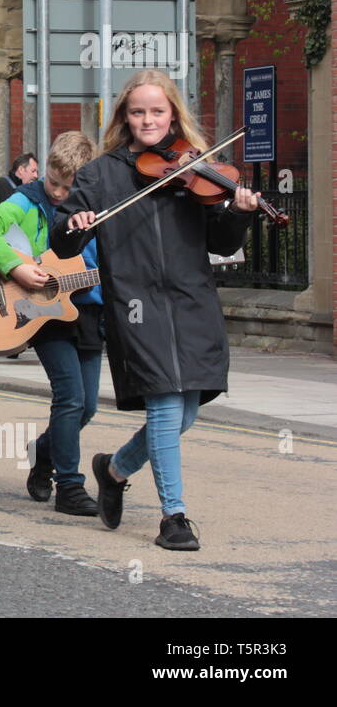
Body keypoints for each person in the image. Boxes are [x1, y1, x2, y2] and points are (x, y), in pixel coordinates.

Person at [50, 69, 259, 551]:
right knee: (165, 404)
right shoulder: (100, 174)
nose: (147, 119)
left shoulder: (197, 167)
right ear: (125, 115)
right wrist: (76, 222)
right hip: (136, 303)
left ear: (172, 115)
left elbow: (222, 241)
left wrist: (242, 213)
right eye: (138, 111)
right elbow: (62, 239)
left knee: (185, 413)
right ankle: (175, 517)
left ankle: (115, 468)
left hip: (191, 301)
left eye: (157, 111)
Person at [0, 130, 104, 516]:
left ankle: (43, 453)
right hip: (43, 313)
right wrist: (17, 268)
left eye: (69, 186)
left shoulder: (99, 206)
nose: (59, 193)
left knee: (88, 407)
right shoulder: (27, 201)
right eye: (54, 182)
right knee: (70, 397)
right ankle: (70, 486)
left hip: (88, 311)